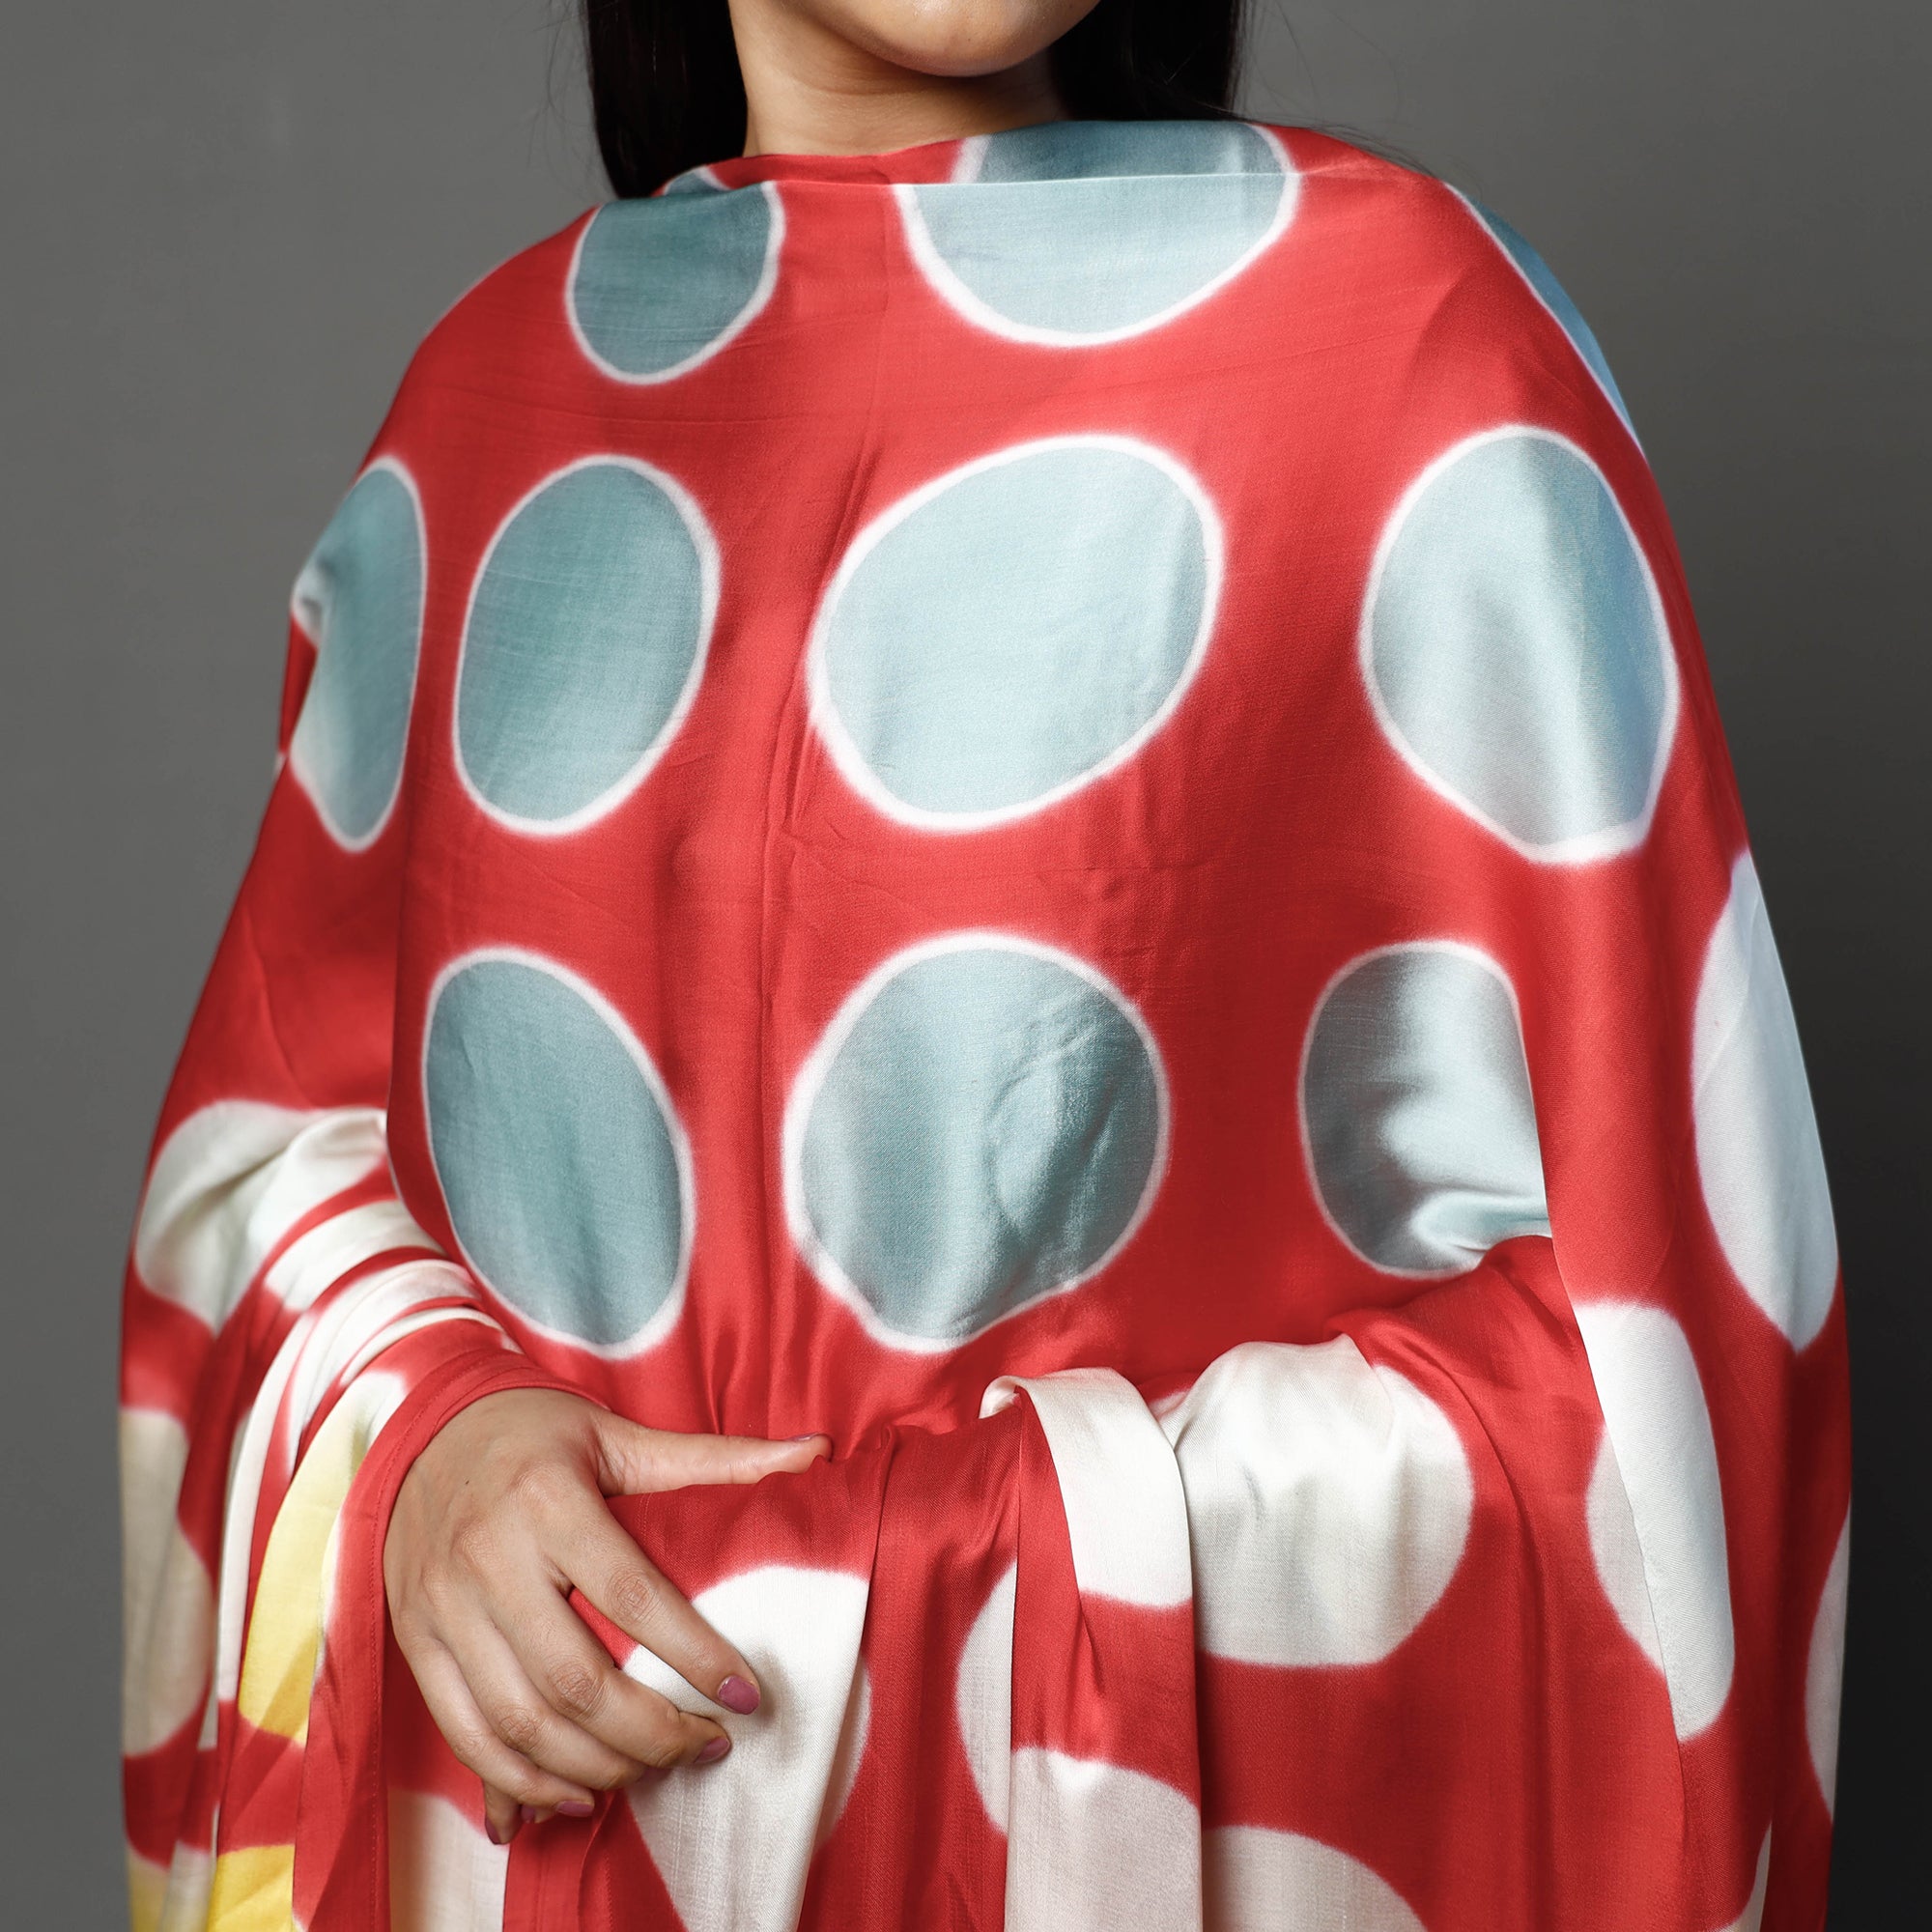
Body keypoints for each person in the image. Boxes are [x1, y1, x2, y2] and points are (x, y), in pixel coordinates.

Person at [118, 2, 1852, 1927]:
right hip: (552, 1856)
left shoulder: (1406, 342)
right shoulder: (489, 401)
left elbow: (1668, 1350)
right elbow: (266, 1164)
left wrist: (925, 1573)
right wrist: (431, 1433)